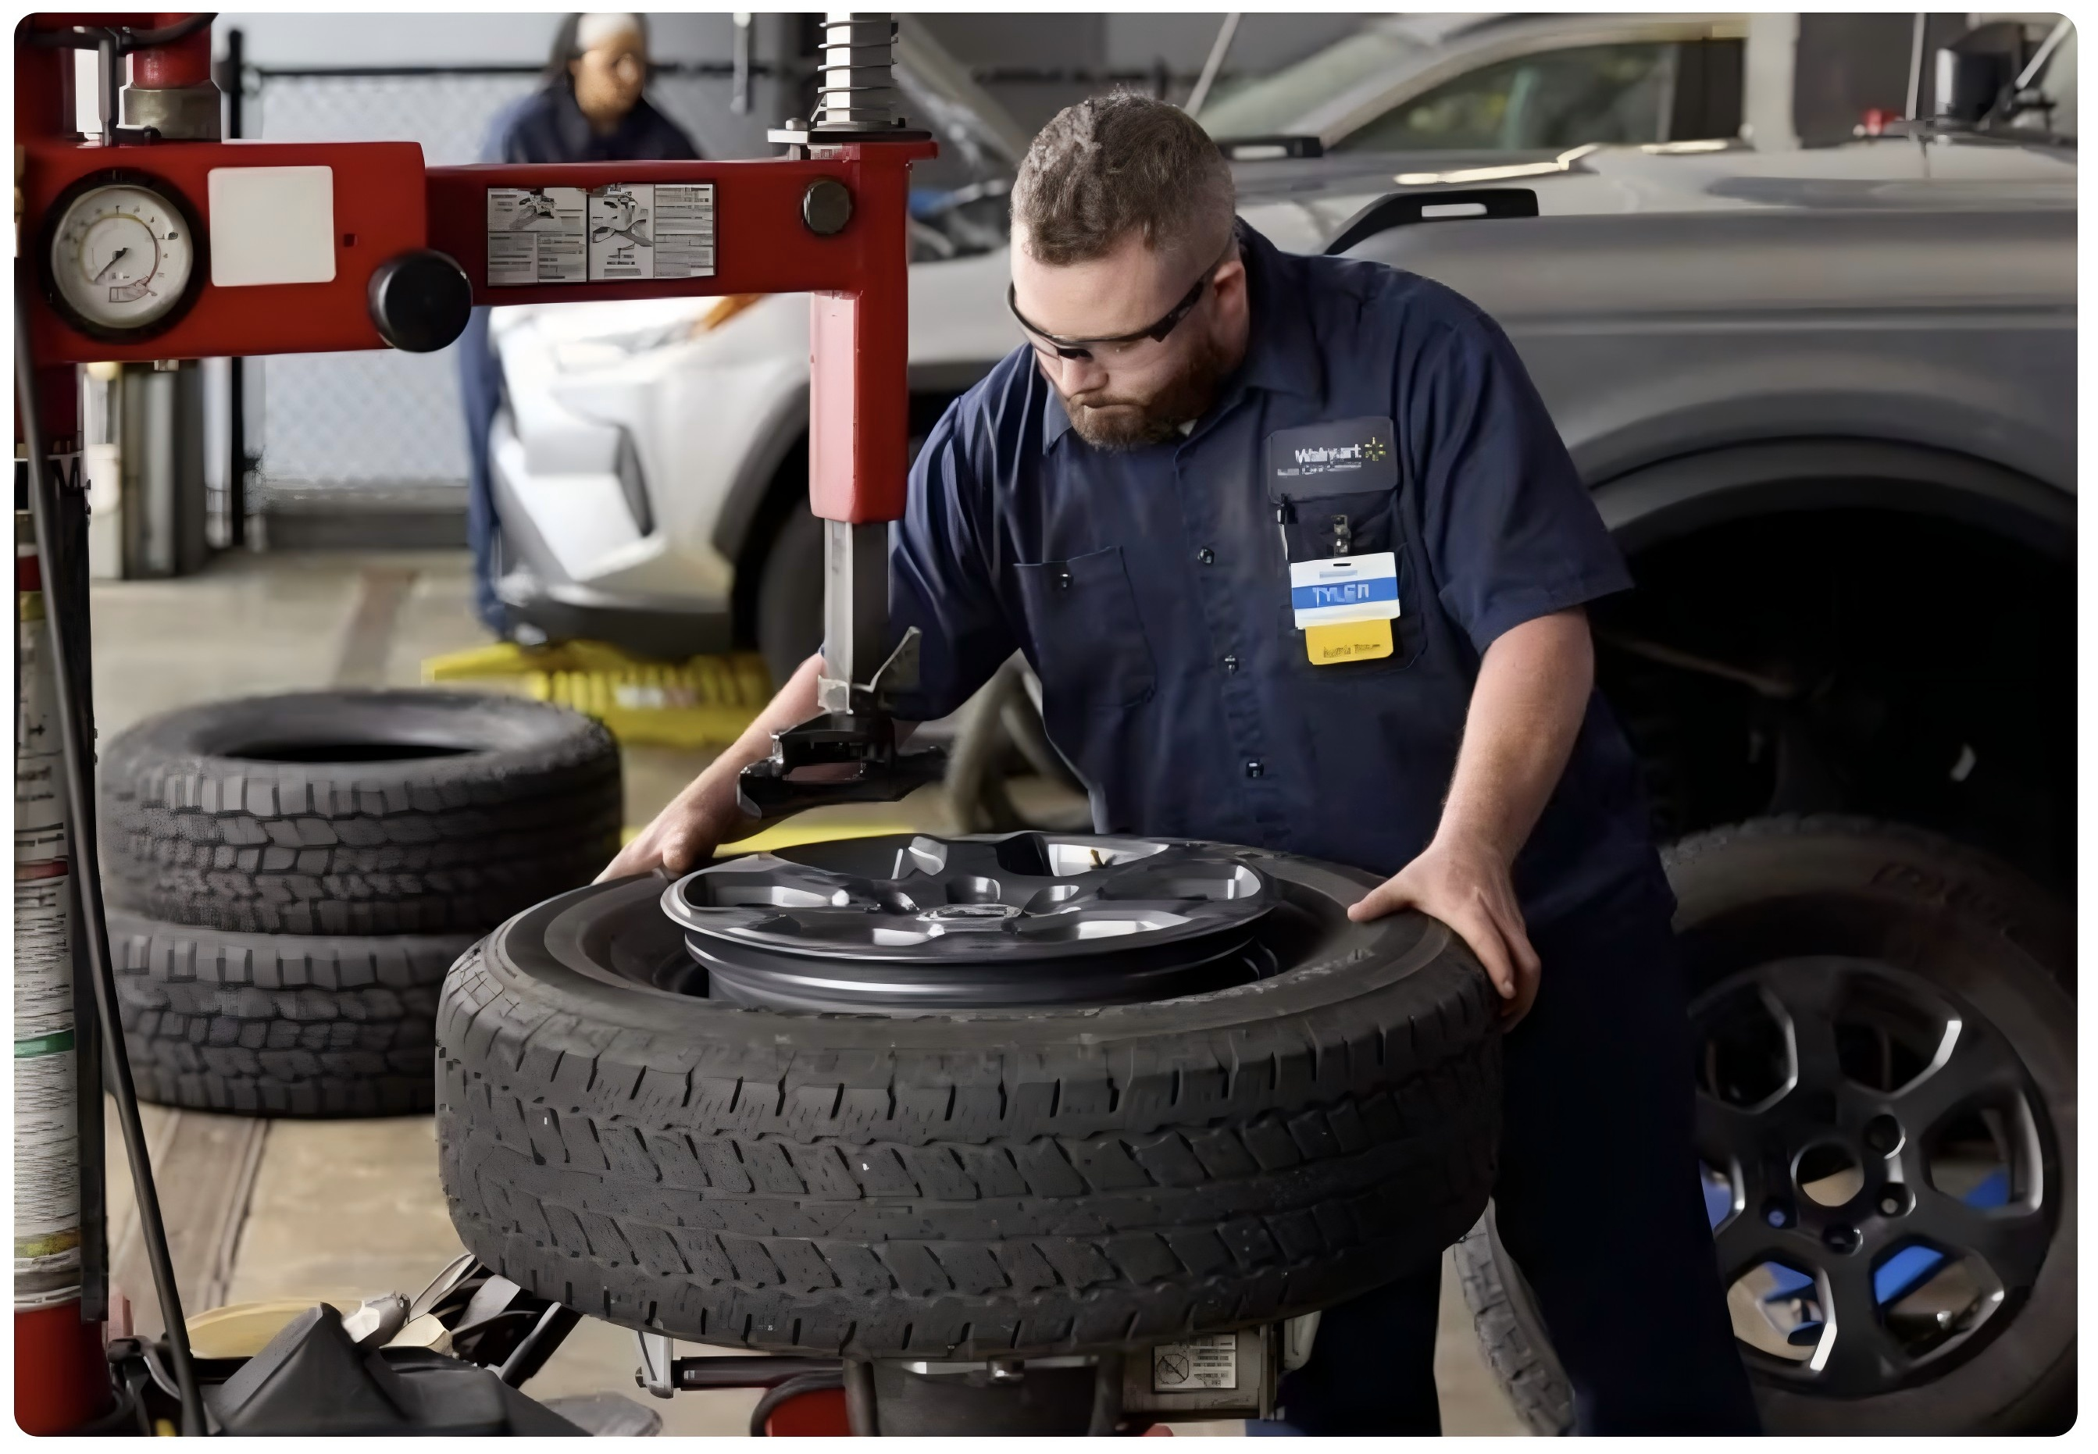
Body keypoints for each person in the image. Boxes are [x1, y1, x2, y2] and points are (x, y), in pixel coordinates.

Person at [603, 94, 1759, 1436]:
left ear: (1219, 289)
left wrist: (1470, 849)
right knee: (1324, 1389)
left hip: (1527, 934)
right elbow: (866, 682)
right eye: (1041, 338)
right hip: (1259, 1000)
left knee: (1647, 1358)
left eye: (1104, 344)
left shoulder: (1414, 359)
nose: (1065, 376)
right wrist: (713, 798)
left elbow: (1537, 627)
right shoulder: (1007, 434)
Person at [457, 12, 700, 637]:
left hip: (615, 335)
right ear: (574, 61)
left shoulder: (664, 138)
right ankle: (498, 598)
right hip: (514, 320)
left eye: (639, 60)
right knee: (499, 448)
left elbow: (694, 233)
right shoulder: (522, 130)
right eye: (614, 60)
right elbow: (501, 238)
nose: (631, 75)